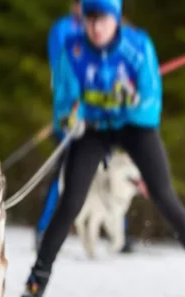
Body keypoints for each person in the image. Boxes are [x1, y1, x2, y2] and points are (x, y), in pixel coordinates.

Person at [20, 0, 185, 297]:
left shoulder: (137, 45)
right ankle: (36, 283)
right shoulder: (74, 50)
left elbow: (152, 101)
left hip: (134, 127)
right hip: (92, 130)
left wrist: (131, 102)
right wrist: (70, 119)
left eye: (102, 20)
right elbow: (64, 101)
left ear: (116, 20)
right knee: (71, 202)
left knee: (164, 196)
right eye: (90, 20)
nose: (95, 28)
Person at [37, 0, 136, 254]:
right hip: (75, 115)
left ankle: (118, 229)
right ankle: (45, 229)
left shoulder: (113, 29)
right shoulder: (64, 30)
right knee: (67, 171)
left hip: (108, 116)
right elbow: (63, 72)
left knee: (110, 167)